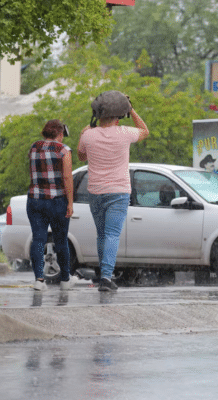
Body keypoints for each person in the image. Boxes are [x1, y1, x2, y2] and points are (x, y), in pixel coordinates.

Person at [78, 102, 149, 292]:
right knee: (112, 235)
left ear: (98, 116)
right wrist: (131, 109)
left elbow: (81, 156)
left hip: (95, 191)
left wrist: (82, 134)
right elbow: (144, 131)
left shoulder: (88, 134)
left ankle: (104, 276)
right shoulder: (124, 132)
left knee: (101, 235)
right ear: (117, 118)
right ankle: (106, 278)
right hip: (118, 191)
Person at [26, 120, 77, 291]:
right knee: (61, 240)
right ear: (60, 133)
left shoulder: (34, 147)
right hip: (57, 201)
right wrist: (70, 202)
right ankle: (65, 279)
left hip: (35, 200)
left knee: (38, 239)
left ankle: (39, 281)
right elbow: (67, 178)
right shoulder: (63, 150)